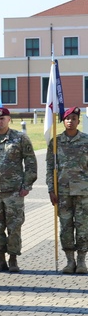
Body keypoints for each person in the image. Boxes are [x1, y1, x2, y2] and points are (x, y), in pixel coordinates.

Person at [0, 108, 37, 273]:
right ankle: (0, 260)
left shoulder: (20, 138)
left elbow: (31, 163)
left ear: (9, 119)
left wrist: (26, 185)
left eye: (2, 119)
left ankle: (13, 259)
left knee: (14, 226)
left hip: (14, 192)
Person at [47, 107, 88, 274]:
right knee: (65, 226)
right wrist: (51, 189)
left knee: (83, 226)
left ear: (78, 121)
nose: (70, 121)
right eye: (67, 118)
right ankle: (69, 261)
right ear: (63, 121)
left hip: (83, 192)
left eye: (73, 118)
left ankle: (81, 261)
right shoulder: (55, 142)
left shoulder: (86, 141)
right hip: (62, 192)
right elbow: (50, 167)